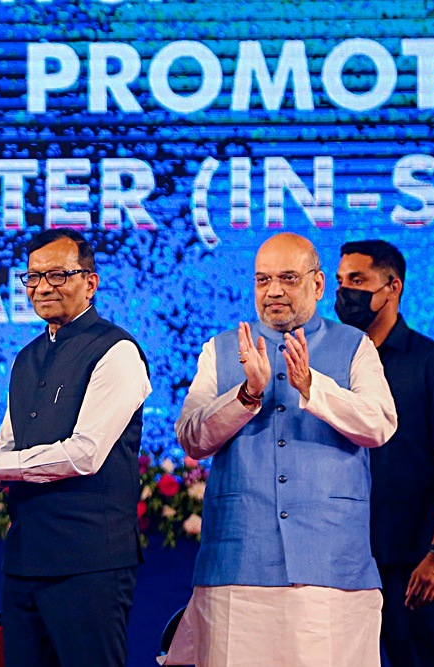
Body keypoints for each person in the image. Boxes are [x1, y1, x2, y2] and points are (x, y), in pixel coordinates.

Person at [167, 232, 398, 667]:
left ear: (318, 284)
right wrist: (246, 395)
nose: (273, 291)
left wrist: (314, 388)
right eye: (262, 279)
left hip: (332, 566)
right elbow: (192, 438)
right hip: (236, 564)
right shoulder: (219, 350)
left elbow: (380, 423)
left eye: (288, 278)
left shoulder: (354, 346)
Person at [0, 229, 151, 667]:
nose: (43, 287)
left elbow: (85, 453)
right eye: (32, 278)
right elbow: (5, 452)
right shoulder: (27, 357)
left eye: (57, 275)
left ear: (90, 282)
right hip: (26, 561)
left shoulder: (117, 350)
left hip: (90, 562)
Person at [336, 240, 434, 667]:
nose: (344, 294)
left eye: (357, 281)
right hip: (345, 562)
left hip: (415, 565)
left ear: (392, 287)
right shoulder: (334, 364)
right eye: (339, 282)